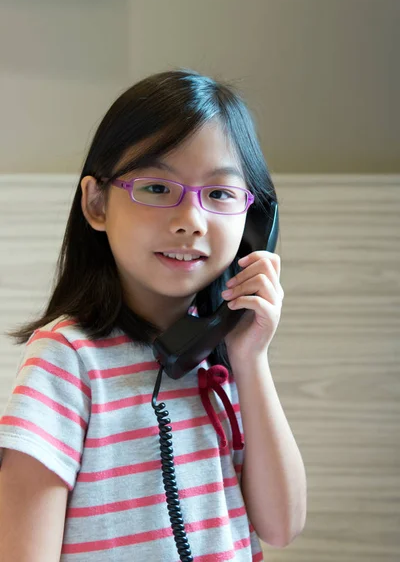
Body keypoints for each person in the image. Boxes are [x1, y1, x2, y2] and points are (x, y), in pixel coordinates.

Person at [0, 69, 307, 561]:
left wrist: (252, 358)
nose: (191, 220)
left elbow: (282, 524)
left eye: (221, 194)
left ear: (255, 223)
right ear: (96, 204)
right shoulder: (67, 360)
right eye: (157, 188)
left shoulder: (225, 360)